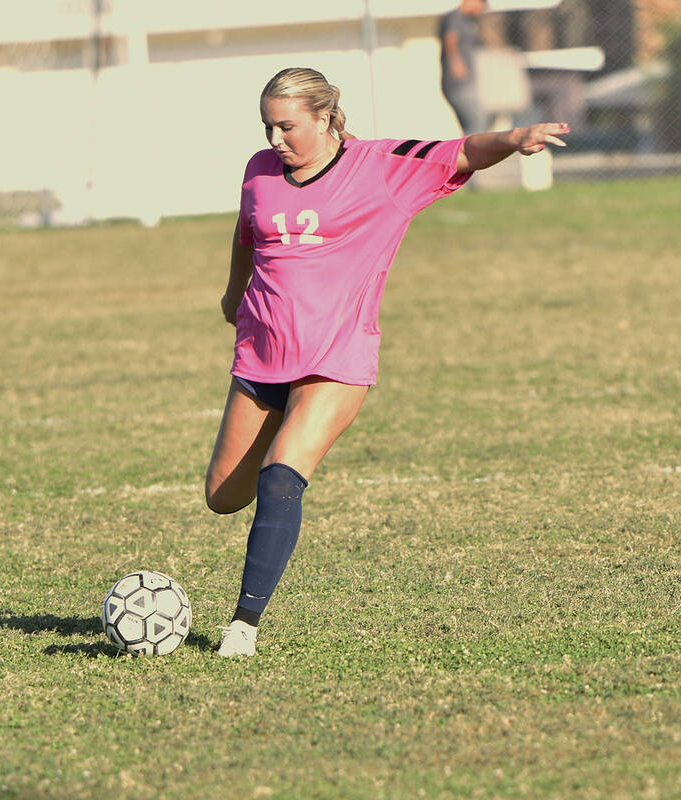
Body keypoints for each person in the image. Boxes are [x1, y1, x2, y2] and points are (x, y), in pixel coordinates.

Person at [206, 67, 569, 657]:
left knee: (281, 476)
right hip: (262, 352)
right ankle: (268, 447)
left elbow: (461, 153)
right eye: (268, 126)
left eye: (288, 126)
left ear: (324, 116)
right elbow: (246, 233)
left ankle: (242, 626)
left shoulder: (381, 166)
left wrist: (513, 138)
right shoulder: (259, 169)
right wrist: (232, 292)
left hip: (337, 357)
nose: (276, 139)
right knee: (223, 496)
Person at [440, 0, 489, 136]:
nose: (482, 9)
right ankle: (472, 155)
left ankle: (469, 154)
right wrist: (456, 63)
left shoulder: (468, 20)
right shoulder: (454, 17)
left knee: (473, 124)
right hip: (458, 82)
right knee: (477, 121)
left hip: (466, 80)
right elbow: (450, 39)